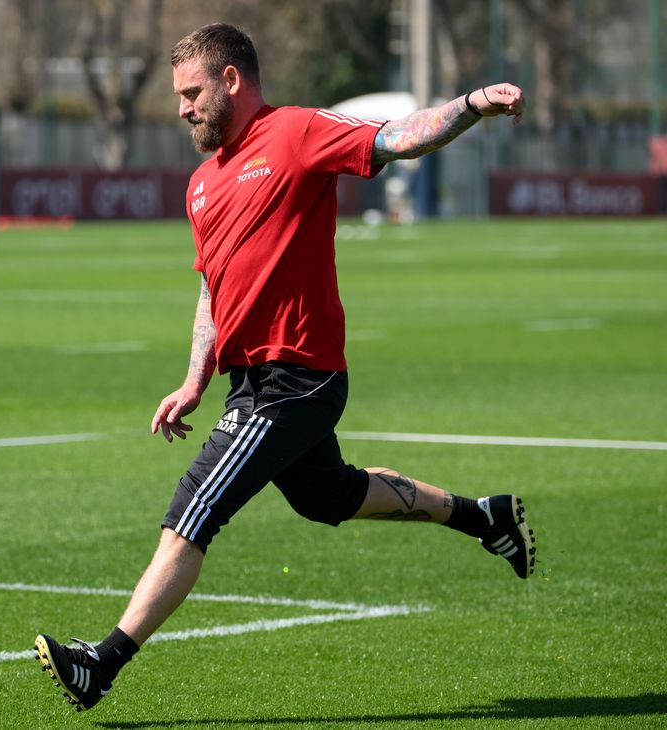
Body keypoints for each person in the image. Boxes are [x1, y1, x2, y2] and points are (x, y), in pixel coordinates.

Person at [34, 22, 535, 712]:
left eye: (191, 92)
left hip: (298, 377)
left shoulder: (297, 132)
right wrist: (192, 381)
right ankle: (483, 517)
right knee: (326, 497)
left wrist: (472, 104)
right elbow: (212, 292)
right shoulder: (201, 186)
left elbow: (398, 135)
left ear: (232, 79)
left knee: (194, 508)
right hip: (253, 380)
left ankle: (103, 663)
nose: (182, 108)